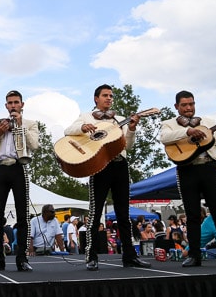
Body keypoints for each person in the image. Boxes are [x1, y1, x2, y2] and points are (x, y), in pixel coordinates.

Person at [64, 84, 151, 271]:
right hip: (99, 166)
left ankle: (130, 256)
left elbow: (127, 146)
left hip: (120, 165)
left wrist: (133, 129)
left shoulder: (119, 119)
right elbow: (67, 131)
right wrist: (82, 127)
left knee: (124, 214)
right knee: (95, 214)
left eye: (111, 95)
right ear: (96, 98)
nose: (109, 98)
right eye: (105, 95)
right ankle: (91, 256)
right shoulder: (87, 116)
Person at [160, 90, 216, 267]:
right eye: (184, 105)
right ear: (177, 107)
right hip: (186, 170)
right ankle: (194, 254)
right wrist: (188, 131)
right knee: (192, 214)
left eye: (191, 104)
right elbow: (164, 138)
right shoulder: (169, 124)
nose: (189, 108)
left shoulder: (208, 123)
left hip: (209, 167)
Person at [0, 90, 39, 272]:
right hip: (1, 169)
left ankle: (22, 259)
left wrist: (20, 126)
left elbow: (34, 146)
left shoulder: (30, 124)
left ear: (22, 104)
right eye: (10, 103)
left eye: (16, 102)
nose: (13, 105)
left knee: (23, 216)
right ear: (6, 106)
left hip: (18, 167)